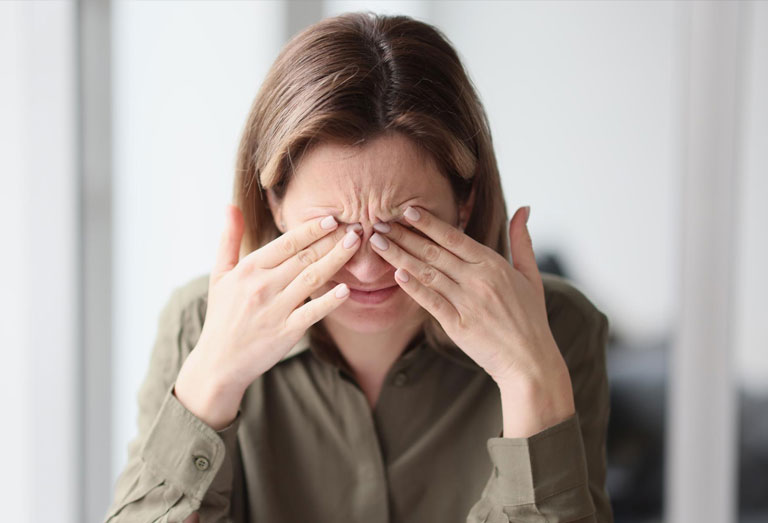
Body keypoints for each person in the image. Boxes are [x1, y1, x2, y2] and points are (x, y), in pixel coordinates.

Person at [104, 11, 613, 523]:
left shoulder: (557, 330)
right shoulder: (197, 324)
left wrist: (529, 382)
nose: (368, 269)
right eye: (332, 229)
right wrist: (210, 386)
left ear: (465, 199)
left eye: (404, 226)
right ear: (275, 204)